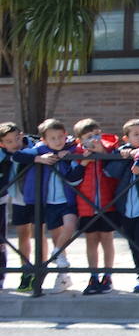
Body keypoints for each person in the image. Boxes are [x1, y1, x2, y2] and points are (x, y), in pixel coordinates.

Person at [16, 119, 83, 293]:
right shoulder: (40, 149)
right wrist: (38, 158)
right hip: (49, 203)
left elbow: (80, 161)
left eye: (60, 137)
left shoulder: (72, 149)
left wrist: (68, 156)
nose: (58, 141)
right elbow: (17, 155)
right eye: (53, 138)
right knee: (56, 235)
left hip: (67, 200)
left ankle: (56, 252)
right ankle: (62, 276)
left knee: (69, 227)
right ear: (44, 140)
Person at [105, 119, 139, 293]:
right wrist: (126, 157)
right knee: (133, 244)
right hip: (126, 208)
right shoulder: (122, 153)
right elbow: (110, 172)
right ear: (126, 138)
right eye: (136, 134)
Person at [72, 120, 119, 295]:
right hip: (86, 205)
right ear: (79, 139)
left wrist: (104, 155)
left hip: (108, 204)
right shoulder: (77, 153)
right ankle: (93, 275)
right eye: (89, 136)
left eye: (96, 135)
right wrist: (84, 162)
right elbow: (72, 179)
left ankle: (108, 275)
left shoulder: (108, 149)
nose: (94, 139)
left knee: (107, 239)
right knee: (91, 240)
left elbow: (114, 172)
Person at [0, 122, 24, 291]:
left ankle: (0, 277)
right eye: (9, 141)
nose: (14, 143)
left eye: (16, 139)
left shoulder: (21, 152)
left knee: (1, 241)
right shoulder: (3, 155)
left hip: (1, 202)